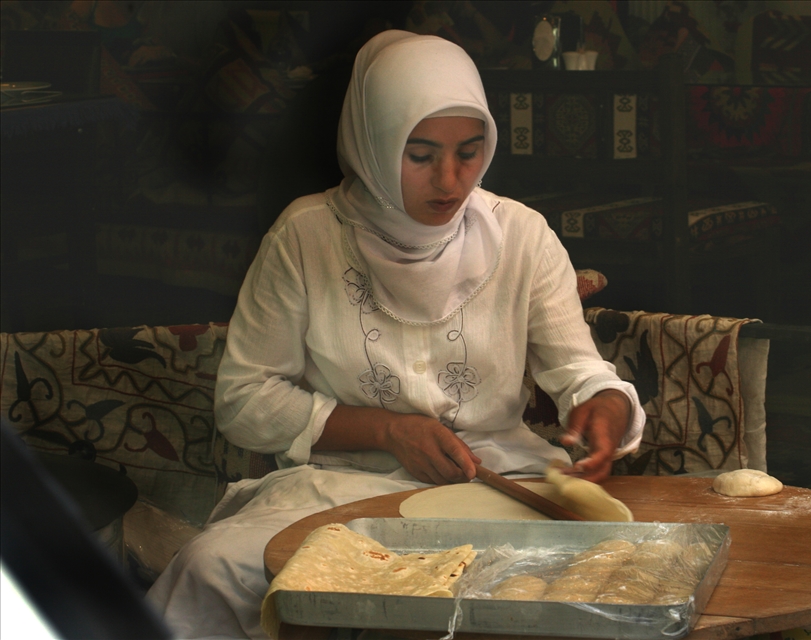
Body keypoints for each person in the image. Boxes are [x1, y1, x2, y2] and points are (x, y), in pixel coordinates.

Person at [146, 30, 644, 639]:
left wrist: (606, 407)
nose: (450, 181)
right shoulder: (305, 237)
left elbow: (581, 372)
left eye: (469, 151)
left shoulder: (522, 235)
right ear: (372, 144)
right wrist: (388, 430)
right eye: (421, 154)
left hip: (498, 481)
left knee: (564, 581)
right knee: (212, 568)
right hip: (339, 490)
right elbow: (245, 400)